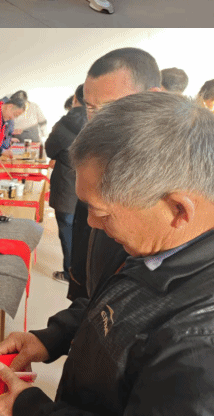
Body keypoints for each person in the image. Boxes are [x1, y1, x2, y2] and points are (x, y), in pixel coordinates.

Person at [0, 92, 214, 415]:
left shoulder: (206, 344)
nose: (92, 224)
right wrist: (53, 337)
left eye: (102, 213)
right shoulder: (163, 244)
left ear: (178, 209)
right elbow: (114, 302)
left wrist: (31, 408)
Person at [66, 47, 162, 302]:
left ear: (151, 97)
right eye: (90, 107)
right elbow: (85, 225)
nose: (97, 120)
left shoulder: (166, 169)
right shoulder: (97, 151)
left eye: (111, 107)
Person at [43, 97, 84, 282]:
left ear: (75, 99)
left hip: (67, 186)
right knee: (86, 232)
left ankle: (69, 273)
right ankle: (83, 275)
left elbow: (50, 150)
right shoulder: (104, 119)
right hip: (92, 187)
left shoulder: (65, 124)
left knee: (67, 229)